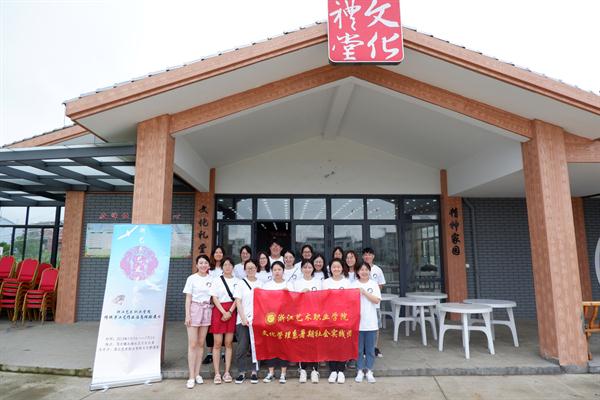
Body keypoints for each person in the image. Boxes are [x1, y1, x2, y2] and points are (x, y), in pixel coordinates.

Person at [183, 254, 213, 389]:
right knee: (193, 344)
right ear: (196, 265)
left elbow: (214, 296)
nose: (203, 265)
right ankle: (191, 376)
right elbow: (188, 298)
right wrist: (187, 315)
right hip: (194, 310)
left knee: (201, 344)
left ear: (209, 265)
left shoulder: (212, 279)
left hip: (206, 310)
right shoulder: (191, 278)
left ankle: (197, 374)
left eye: (205, 263)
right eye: (200, 263)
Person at [290, 259, 322, 383]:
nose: (307, 269)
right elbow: (292, 300)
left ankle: (314, 370)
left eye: (309, 267)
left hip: (314, 316)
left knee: (314, 343)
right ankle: (302, 369)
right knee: (302, 343)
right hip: (301, 317)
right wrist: (301, 294)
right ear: (301, 269)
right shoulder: (296, 283)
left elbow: (322, 299)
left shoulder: (318, 282)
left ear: (313, 269)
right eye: (305, 267)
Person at [209, 257, 239, 384]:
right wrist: (223, 312)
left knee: (228, 343)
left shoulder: (238, 281)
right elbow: (214, 297)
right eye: (225, 264)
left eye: (230, 265)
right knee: (217, 343)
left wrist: (230, 312)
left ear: (233, 267)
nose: (227, 267)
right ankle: (217, 373)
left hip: (232, 311)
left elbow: (237, 298)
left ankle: (227, 372)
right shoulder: (216, 280)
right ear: (222, 267)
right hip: (218, 311)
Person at [233, 259, 263, 384]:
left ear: (257, 269)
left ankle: (254, 372)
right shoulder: (240, 283)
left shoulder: (261, 283)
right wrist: (243, 317)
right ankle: (241, 372)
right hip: (242, 320)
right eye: (248, 268)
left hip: (257, 320)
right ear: (245, 270)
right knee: (242, 346)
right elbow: (238, 301)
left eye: (253, 267)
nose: (251, 270)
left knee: (256, 347)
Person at [351, 262, 381, 384]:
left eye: (366, 269)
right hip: (357, 323)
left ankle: (369, 370)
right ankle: (359, 370)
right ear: (357, 272)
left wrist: (364, 292)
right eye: (361, 270)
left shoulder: (373, 284)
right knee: (358, 350)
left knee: (370, 350)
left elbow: (376, 300)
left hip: (371, 322)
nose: (364, 272)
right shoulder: (353, 284)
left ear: (369, 271)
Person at [322, 258, 350, 384]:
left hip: (343, 317)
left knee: (342, 344)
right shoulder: (325, 282)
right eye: (334, 267)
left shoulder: (347, 282)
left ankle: (341, 370)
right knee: (331, 344)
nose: (336, 269)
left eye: (338, 266)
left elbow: (350, 300)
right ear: (330, 269)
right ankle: (333, 370)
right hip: (330, 317)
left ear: (342, 268)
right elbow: (321, 299)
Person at [261, 261, 289, 383]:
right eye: (275, 270)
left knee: (284, 346)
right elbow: (263, 302)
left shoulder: (289, 284)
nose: (277, 272)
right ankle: (271, 372)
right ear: (271, 272)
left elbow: (294, 302)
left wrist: (288, 293)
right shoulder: (267, 285)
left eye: (279, 269)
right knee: (270, 346)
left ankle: (283, 373)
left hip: (284, 320)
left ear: (283, 271)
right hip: (270, 320)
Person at [362, 248, 387, 358]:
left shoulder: (378, 270)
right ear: (363, 256)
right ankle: (364, 348)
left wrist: (372, 294)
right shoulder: (360, 268)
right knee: (363, 326)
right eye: (365, 254)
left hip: (374, 304)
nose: (367, 256)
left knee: (376, 326)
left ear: (373, 256)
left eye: (369, 254)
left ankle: (374, 347)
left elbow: (381, 285)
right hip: (362, 304)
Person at [204, 245, 226, 364]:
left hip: (222, 302)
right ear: (213, 254)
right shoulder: (208, 268)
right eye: (216, 252)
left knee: (222, 327)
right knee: (210, 328)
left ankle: (222, 352)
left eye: (220, 252)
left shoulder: (226, 267)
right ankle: (210, 353)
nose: (218, 254)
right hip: (210, 302)